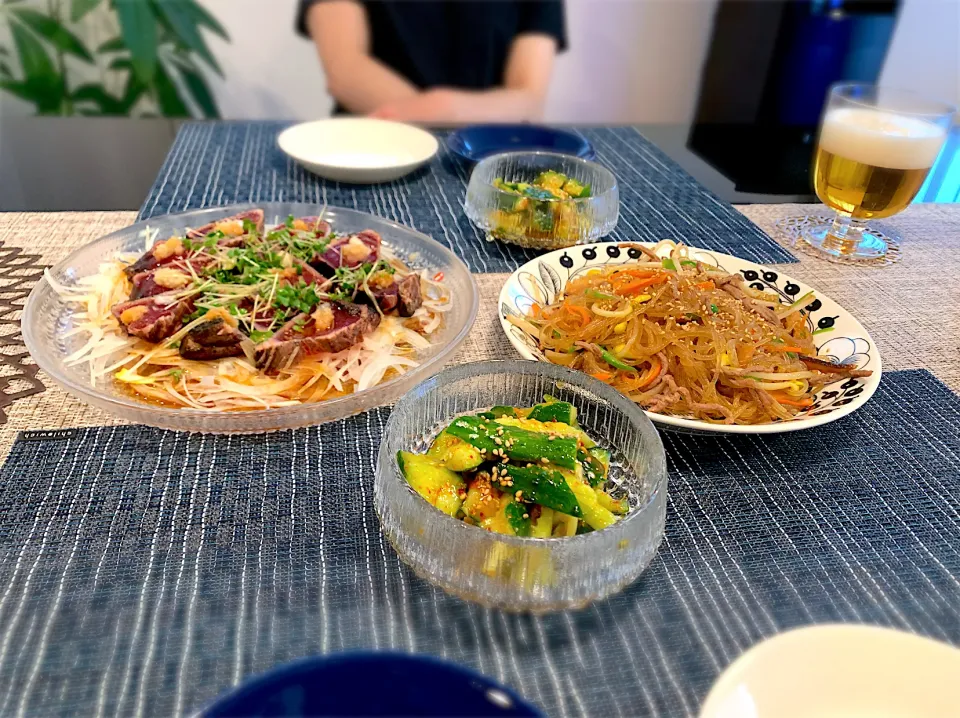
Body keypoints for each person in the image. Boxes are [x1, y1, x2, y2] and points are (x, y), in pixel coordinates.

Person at [297, 0, 566, 123]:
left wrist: (447, 108)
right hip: (370, 148)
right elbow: (345, 72)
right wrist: (433, 116)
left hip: (486, 161)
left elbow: (529, 98)